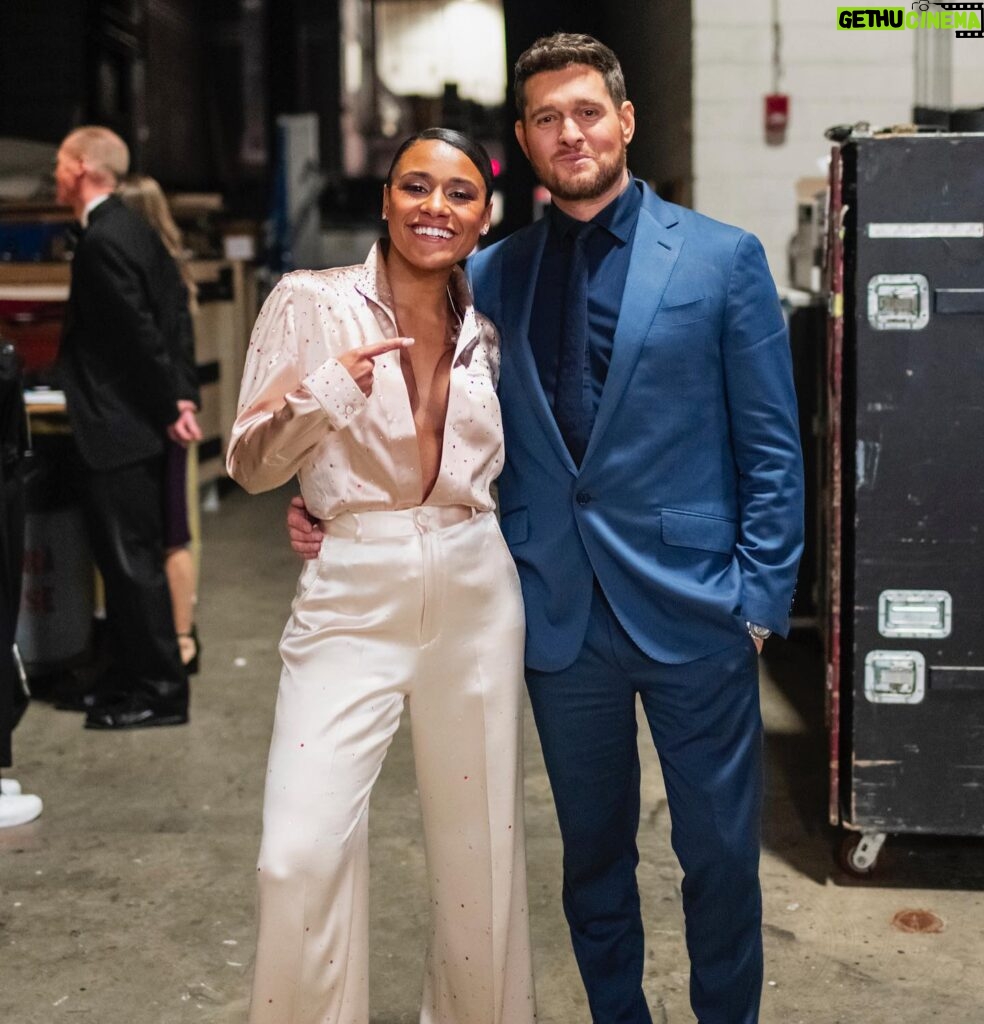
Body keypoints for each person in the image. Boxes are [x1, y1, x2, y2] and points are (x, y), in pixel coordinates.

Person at [290, 34, 804, 1024]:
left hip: (700, 612)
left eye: (585, 111)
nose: (569, 132)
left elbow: (774, 452)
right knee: (594, 860)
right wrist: (329, 497)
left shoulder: (720, 258)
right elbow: (427, 423)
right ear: (522, 142)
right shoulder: (487, 275)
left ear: (624, 121)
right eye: (546, 118)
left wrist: (755, 606)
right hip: (558, 619)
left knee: (720, 861)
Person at [227, 128, 535, 1024]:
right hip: (351, 593)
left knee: (482, 860)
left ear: (484, 215)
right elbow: (247, 463)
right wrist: (325, 396)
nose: (435, 206)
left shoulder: (487, 329)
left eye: (459, 193)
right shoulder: (311, 301)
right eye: (416, 186)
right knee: (298, 851)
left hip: (478, 589)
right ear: (386, 197)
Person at [54, 126, 196, 729]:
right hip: (137, 422)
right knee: (128, 562)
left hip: (119, 426)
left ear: (83, 165)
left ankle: (160, 690)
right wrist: (180, 396)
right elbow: (172, 319)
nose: (55, 173)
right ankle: (129, 676)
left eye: (61, 162)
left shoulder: (103, 239)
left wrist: (171, 405)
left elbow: (138, 334)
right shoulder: (131, 228)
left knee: (131, 565)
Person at [116, 174, 203, 675]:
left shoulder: (150, 271)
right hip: (173, 412)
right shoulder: (171, 267)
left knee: (169, 534)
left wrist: (176, 405)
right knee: (174, 531)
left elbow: (163, 349)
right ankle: (181, 636)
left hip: (164, 417)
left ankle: (180, 641)